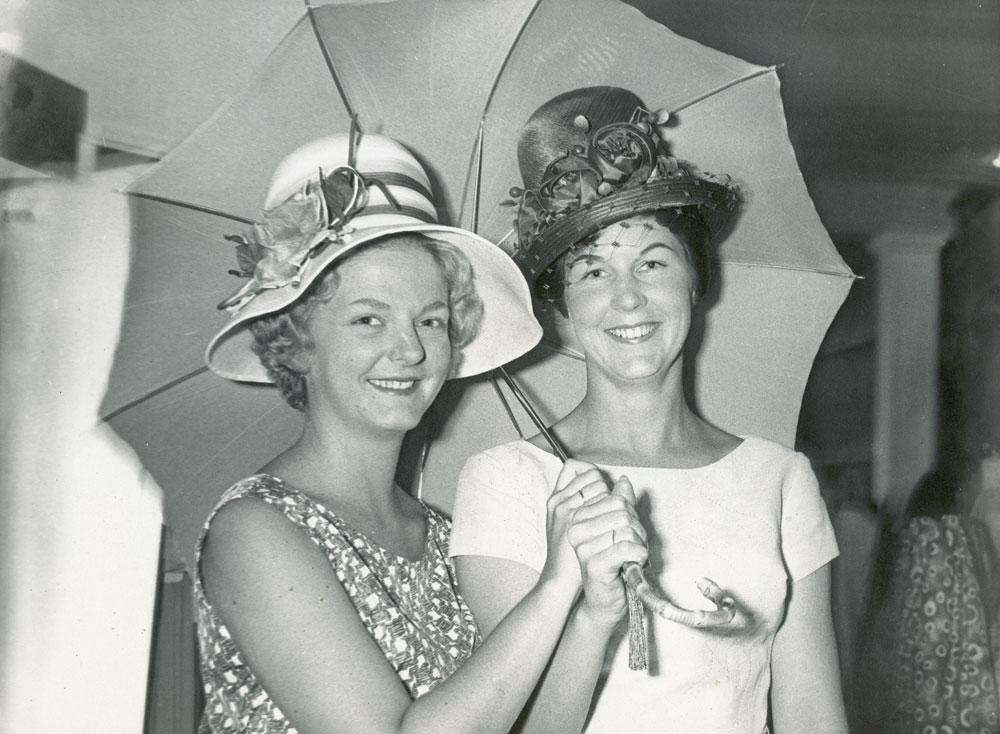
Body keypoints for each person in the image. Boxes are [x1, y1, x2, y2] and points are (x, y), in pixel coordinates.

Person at [194, 132, 648, 733]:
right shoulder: (255, 530)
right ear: (296, 341)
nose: (409, 349)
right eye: (368, 318)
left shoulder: (439, 536)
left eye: (431, 320)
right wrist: (552, 586)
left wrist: (589, 612)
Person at [449, 87, 850, 734]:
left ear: (696, 282)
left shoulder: (781, 480)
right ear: (561, 315)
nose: (628, 299)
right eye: (592, 273)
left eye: (653, 262)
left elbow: (814, 719)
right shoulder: (505, 482)